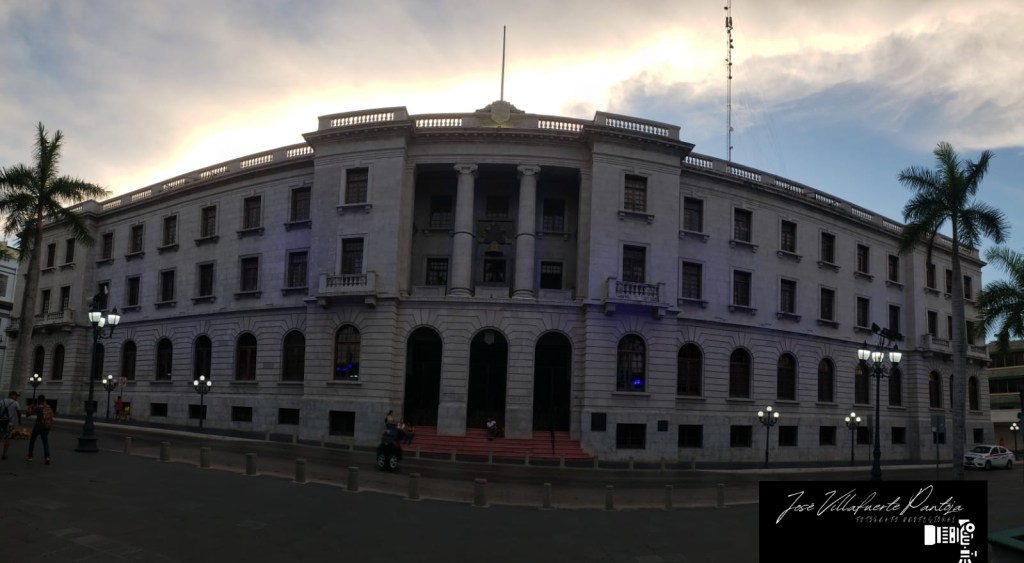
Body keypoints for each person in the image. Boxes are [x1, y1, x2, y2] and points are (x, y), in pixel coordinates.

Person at [26, 394, 53, 464]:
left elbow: (28, 415)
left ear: (39, 400)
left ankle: (30, 456)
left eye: (38, 400)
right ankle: (47, 457)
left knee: (32, 441)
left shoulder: (38, 408)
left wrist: (30, 407)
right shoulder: (48, 407)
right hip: (46, 426)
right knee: (45, 442)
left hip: (38, 426)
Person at [0, 391, 23, 461]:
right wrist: (19, 420)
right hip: (8, 423)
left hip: (0, 421)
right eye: (16, 396)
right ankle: (4, 454)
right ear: (12, 395)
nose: (16, 397)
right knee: (7, 438)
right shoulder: (15, 403)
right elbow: (19, 412)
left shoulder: (1, 401)